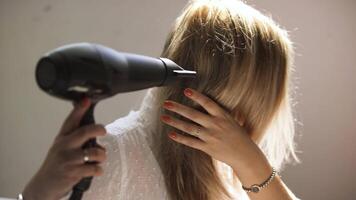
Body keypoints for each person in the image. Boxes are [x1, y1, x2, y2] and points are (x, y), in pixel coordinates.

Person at [21, 0, 301, 199]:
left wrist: (252, 164)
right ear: (255, 99)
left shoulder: (231, 168)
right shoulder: (113, 159)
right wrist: (38, 194)